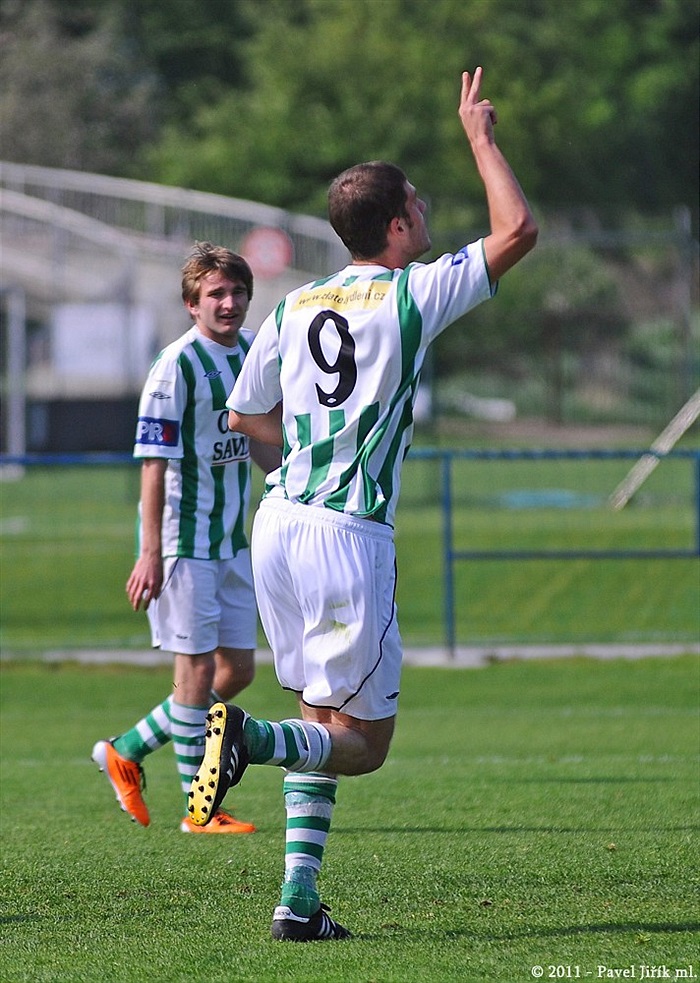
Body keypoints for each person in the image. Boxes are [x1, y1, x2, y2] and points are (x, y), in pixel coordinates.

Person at [188, 67, 538, 936]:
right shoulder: (412, 294)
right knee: (365, 746)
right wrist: (482, 137)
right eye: (417, 206)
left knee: (321, 721)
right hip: (348, 535)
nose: (426, 216)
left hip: (280, 522)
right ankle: (247, 739)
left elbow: (243, 413)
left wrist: (308, 455)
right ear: (395, 225)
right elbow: (518, 229)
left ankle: (297, 904)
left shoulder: (296, 300)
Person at [92, 242, 280, 834]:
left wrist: (289, 483)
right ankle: (200, 809)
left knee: (240, 670)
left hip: (232, 539)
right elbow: (152, 462)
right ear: (191, 304)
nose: (229, 303)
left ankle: (126, 748)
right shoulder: (175, 366)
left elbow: (254, 437)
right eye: (215, 295)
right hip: (184, 544)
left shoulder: (250, 352)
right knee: (195, 674)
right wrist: (150, 552)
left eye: (237, 292)